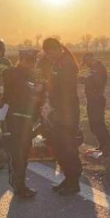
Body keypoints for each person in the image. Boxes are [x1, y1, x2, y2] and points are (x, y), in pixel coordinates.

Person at [0, 49, 43, 198]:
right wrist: (1, 120)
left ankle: (20, 184)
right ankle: (19, 186)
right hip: (14, 119)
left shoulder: (33, 76)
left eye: (33, 61)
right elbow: (6, 96)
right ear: (21, 60)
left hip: (27, 121)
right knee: (17, 155)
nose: (31, 64)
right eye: (28, 60)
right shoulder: (12, 74)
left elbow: (36, 98)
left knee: (24, 155)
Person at [41, 38, 82, 195]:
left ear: (58, 49)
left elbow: (65, 91)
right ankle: (68, 178)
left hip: (67, 112)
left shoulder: (67, 65)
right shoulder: (57, 64)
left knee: (68, 147)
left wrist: (55, 108)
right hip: (58, 111)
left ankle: (74, 182)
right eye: (47, 54)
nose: (48, 57)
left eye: (50, 53)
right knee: (58, 146)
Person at [80, 53, 110, 156]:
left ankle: (106, 147)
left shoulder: (99, 68)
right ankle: (102, 145)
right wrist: (81, 79)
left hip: (97, 100)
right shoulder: (93, 69)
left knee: (98, 124)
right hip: (92, 100)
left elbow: (97, 83)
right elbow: (90, 80)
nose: (86, 65)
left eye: (87, 62)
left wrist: (85, 80)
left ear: (91, 59)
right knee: (93, 125)